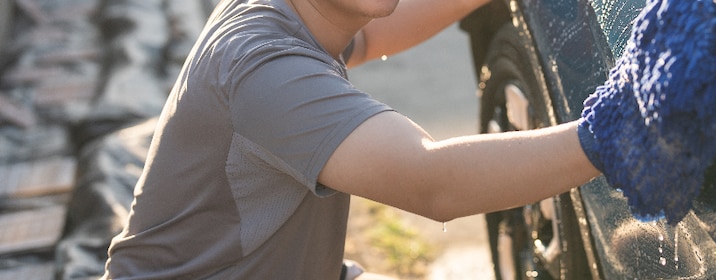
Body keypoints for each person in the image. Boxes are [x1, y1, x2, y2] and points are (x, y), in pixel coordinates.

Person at [102, 0, 600, 278]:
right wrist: (614, 131)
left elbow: (376, 36)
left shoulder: (292, 15)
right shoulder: (262, 68)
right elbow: (432, 182)